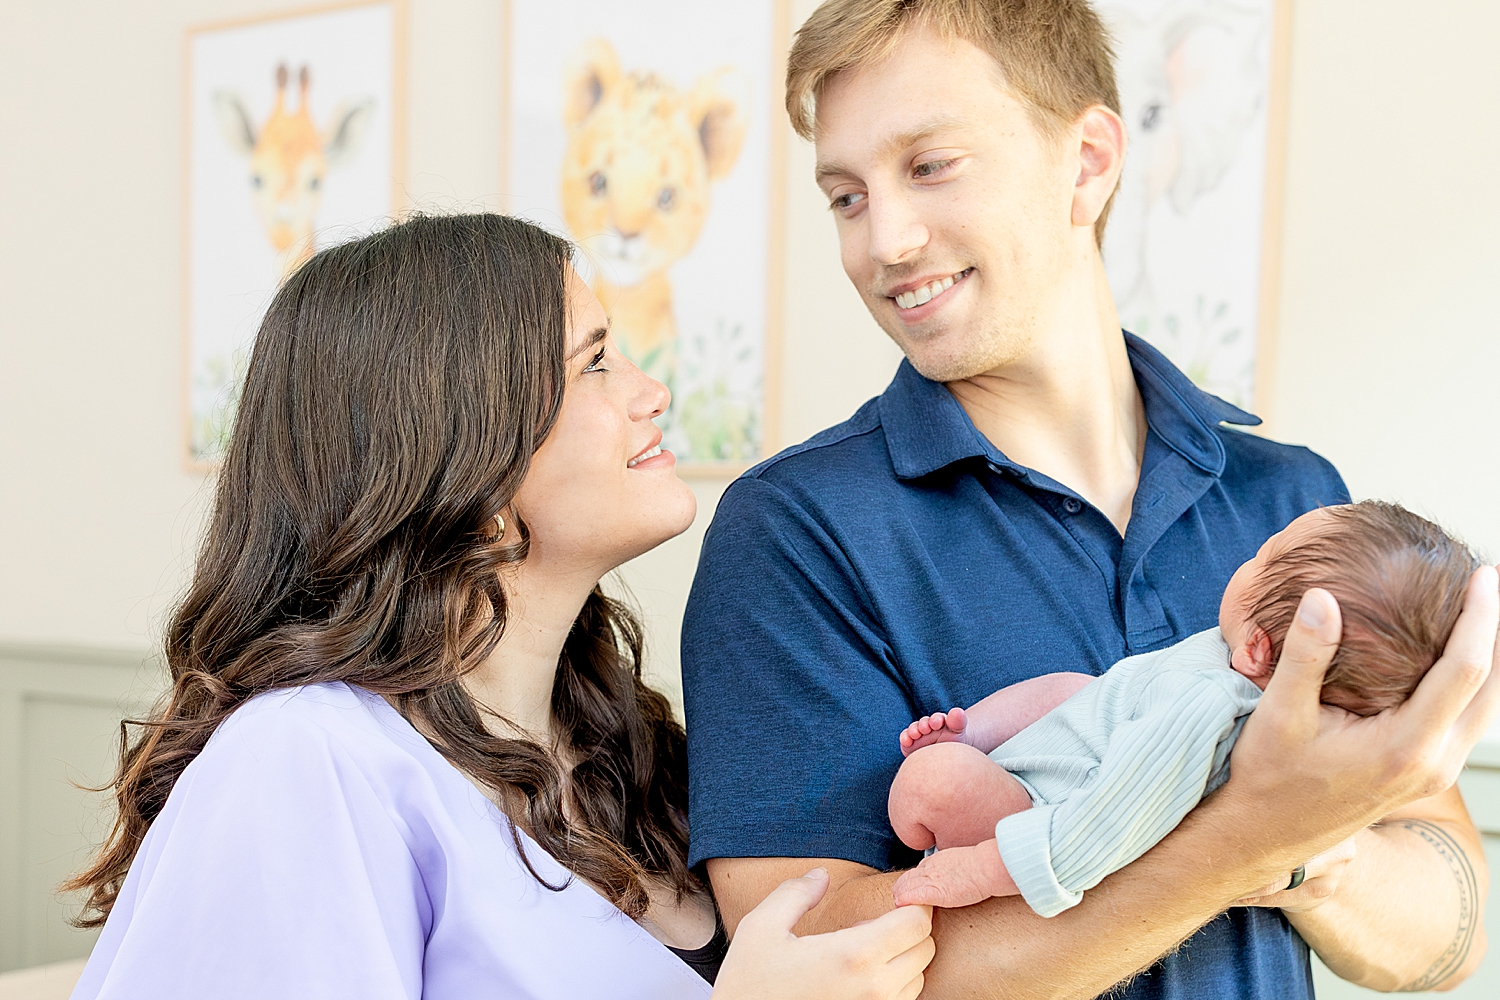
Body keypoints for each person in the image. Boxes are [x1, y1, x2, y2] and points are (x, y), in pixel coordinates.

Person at [680, 1, 1499, 996]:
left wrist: (1309, 851)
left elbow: (1445, 931)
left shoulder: (1301, 514)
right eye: (846, 196)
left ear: (1090, 160)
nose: (883, 241)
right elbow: (811, 963)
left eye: (930, 165)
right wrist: (1242, 834)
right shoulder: (794, 535)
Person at [64, 214, 934, 999]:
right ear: (464, 454)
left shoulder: (626, 756)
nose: (650, 392)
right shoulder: (302, 759)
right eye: (594, 363)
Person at [887, 502, 1478, 915]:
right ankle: (975, 736)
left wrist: (988, 869)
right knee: (1076, 686)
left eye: (1261, 558)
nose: (1243, 561)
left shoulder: (1206, 705)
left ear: (1257, 649)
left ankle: (962, 777)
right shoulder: (1235, 663)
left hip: (1049, 816)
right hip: (1088, 739)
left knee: (932, 781)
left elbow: (1105, 824)